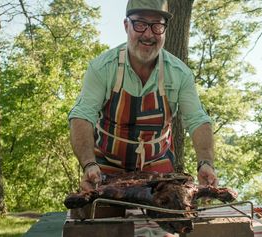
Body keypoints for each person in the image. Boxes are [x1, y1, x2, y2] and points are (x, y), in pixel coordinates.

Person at [68, 0, 217, 191]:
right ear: (126, 25)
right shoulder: (102, 68)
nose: (148, 34)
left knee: (172, 214)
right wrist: (89, 164)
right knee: (100, 216)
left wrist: (205, 163)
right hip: (105, 165)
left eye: (157, 25)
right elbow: (82, 116)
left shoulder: (180, 74)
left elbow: (197, 120)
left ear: (165, 29)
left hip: (158, 165)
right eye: (140, 24)